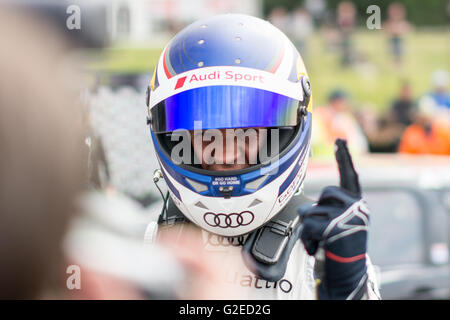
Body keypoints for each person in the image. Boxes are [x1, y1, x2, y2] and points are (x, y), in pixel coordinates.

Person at [146, 14, 380, 300]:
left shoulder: (319, 251)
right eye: (205, 133)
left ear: (286, 129)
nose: (228, 153)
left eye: (248, 131)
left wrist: (349, 289)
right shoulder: (146, 247)